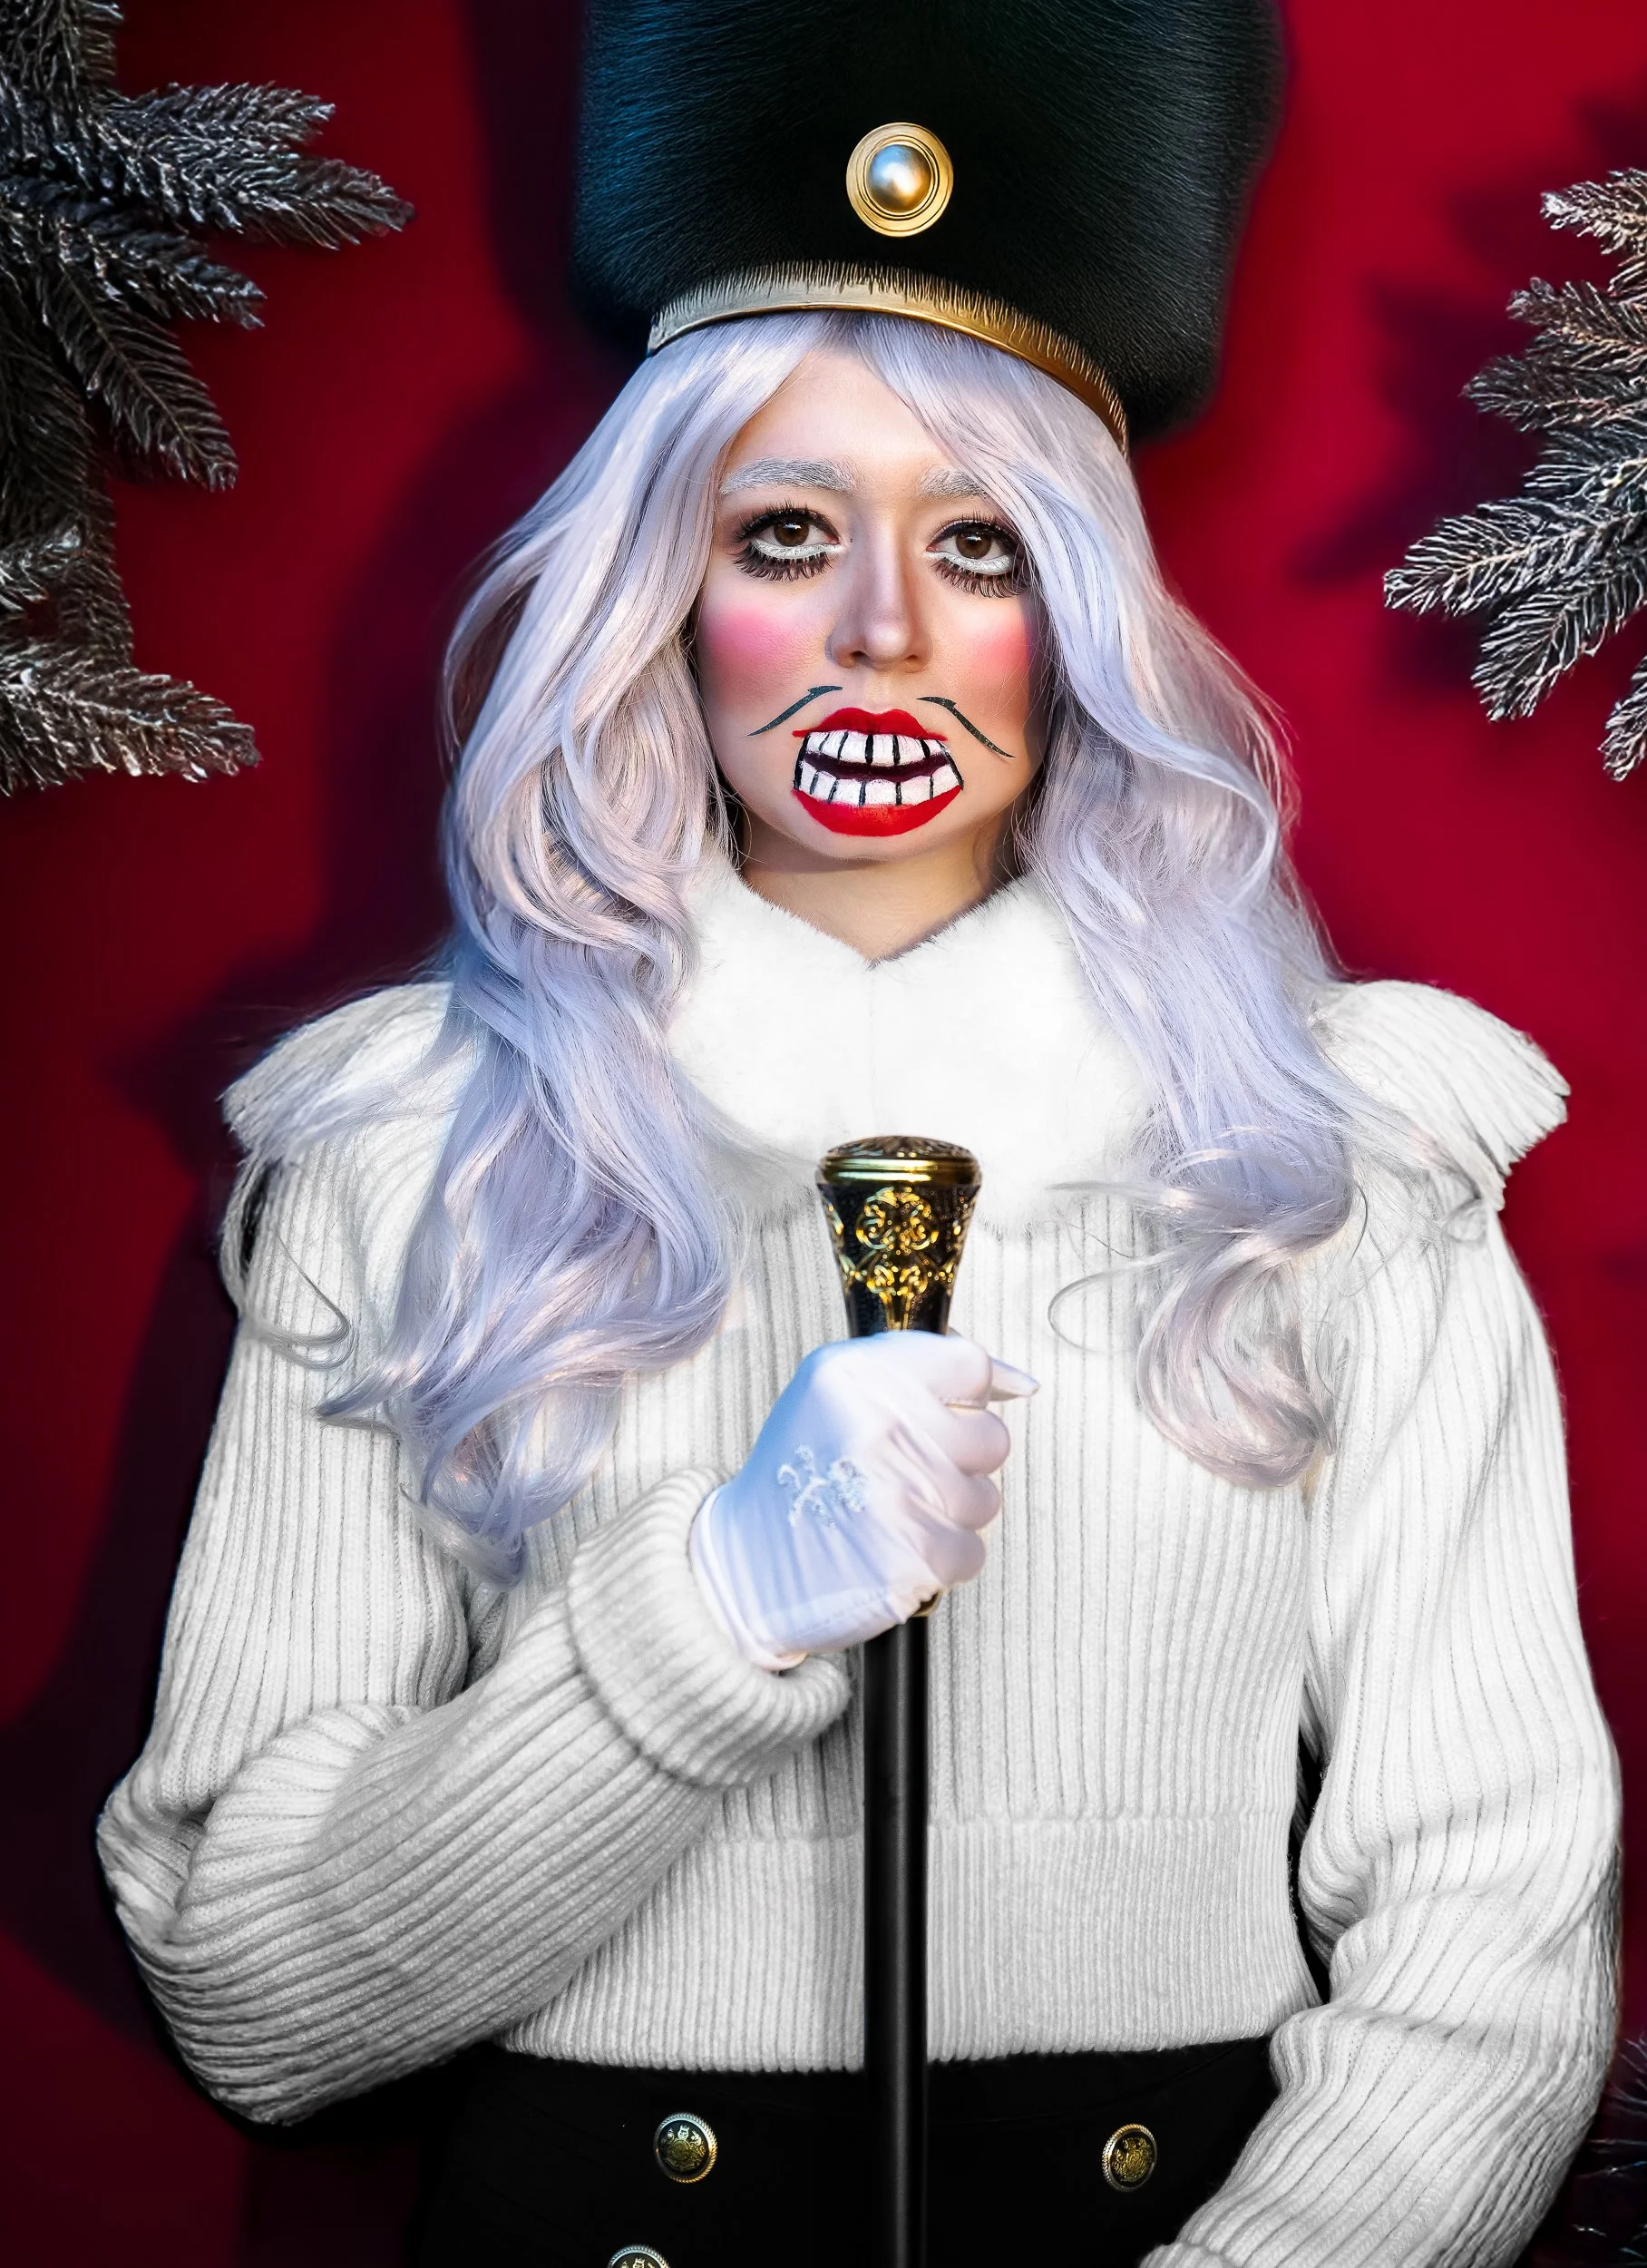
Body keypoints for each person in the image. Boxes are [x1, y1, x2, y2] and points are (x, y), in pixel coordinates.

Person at [99, 5, 1620, 2263]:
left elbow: (1487, 1928)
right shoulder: (414, 1160)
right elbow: (246, 1992)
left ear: (1077, 615)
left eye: (982, 546)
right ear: (663, 601)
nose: (880, 638)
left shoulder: (1334, 1168)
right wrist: (707, 1617)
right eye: (786, 532)